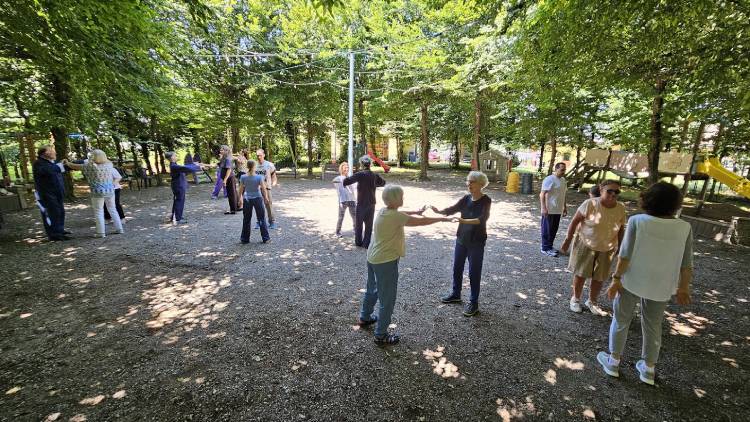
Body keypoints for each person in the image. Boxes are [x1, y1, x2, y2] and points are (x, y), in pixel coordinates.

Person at [597, 182, 693, 386]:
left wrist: (615, 279)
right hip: (662, 284)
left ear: (648, 200)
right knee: (653, 325)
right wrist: (683, 287)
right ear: (675, 204)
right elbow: (687, 264)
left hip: (631, 279)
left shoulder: (637, 221)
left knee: (621, 320)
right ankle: (648, 369)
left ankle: (613, 362)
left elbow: (625, 255)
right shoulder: (684, 227)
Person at [359, 185, 456, 345]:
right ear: (395, 199)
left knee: (372, 289)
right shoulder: (395, 216)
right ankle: (380, 335)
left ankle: (365, 317)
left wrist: (416, 211)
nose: (403, 199)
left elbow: (401, 214)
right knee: (387, 299)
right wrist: (442, 219)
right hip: (385, 261)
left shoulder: (383, 211)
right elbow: (421, 222)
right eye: (401, 197)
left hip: (373, 257)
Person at [561, 180, 627, 316]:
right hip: (586, 244)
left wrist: (621, 246)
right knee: (580, 273)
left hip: (607, 247)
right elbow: (575, 221)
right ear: (601, 189)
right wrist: (568, 239)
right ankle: (575, 299)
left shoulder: (620, 208)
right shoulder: (590, 204)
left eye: (617, 192)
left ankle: (592, 301)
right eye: (610, 191)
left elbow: (621, 228)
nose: (613, 194)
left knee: (599, 277)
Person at [431, 171, 492, 317]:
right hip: (461, 239)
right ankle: (456, 294)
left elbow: (482, 219)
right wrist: (439, 211)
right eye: (468, 181)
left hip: (476, 241)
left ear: (480, 184)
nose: (468, 184)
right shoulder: (466, 198)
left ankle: (474, 302)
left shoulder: (486, 200)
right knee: (457, 268)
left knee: (474, 272)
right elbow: (453, 209)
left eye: (472, 182)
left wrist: (462, 220)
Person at [66, 150, 123, 238]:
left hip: (97, 192)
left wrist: (67, 162)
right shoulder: (109, 165)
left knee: (98, 211)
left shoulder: (88, 166)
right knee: (113, 209)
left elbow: (72, 166)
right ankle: (119, 229)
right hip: (110, 190)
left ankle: (101, 233)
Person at [344, 156, 386, 248]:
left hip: (361, 203)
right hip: (371, 203)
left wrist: (345, 175)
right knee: (369, 225)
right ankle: (366, 244)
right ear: (370, 164)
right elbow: (383, 183)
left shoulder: (360, 174)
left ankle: (358, 242)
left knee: (359, 224)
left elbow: (347, 181)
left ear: (362, 164)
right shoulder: (374, 175)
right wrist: (374, 184)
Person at [32, 145, 70, 241]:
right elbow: (48, 170)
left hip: (57, 192)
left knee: (60, 212)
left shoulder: (52, 162)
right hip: (47, 193)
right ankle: (54, 234)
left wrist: (83, 163)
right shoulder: (38, 164)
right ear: (45, 153)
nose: (55, 152)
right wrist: (59, 166)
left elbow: (64, 167)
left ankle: (59, 230)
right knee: (52, 212)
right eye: (52, 150)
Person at [238, 159, 270, 243]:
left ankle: (244, 239)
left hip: (247, 199)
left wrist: (239, 199)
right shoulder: (259, 177)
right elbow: (263, 189)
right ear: (254, 167)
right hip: (258, 198)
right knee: (261, 218)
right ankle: (265, 238)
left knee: (246, 219)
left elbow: (240, 189)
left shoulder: (243, 177)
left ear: (247, 166)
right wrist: (266, 198)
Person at [165, 151, 202, 224]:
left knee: (178, 201)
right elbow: (185, 168)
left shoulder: (175, 165)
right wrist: (198, 167)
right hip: (178, 186)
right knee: (179, 201)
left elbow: (184, 170)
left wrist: (195, 165)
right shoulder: (174, 166)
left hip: (179, 185)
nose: (176, 156)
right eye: (175, 155)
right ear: (172, 157)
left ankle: (176, 216)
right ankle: (177, 219)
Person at [540, 162, 568, 256]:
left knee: (554, 229)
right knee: (547, 229)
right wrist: (543, 208)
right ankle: (544, 248)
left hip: (558, 209)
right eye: (562, 170)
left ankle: (550, 246)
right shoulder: (549, 179)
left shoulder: (563, 180)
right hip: (549, 209)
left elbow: (563, 194)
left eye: (564, 169)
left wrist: (564, 207)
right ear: (556, 169)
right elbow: (542, 194)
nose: (564, 171)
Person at [255, 149, 278, 228]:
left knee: (268, 205)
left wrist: (273, 183)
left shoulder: (269, 165)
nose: (259, 157)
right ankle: (259, 221)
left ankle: (272, 222)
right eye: (257, 155)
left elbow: (274, 176)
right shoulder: (254, 165)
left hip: (267, 188)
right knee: (258, 206)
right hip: (256, 189)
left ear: (264, 155)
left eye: (260, 155)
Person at [332, 162, 356, 236]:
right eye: (345, 167)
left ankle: (356, 229)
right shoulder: (338, 178)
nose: (347, 169)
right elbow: (334, 182)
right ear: (341, 169)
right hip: (343, 200)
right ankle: (337, 231)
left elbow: (353, 188)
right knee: (341, 217)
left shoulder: (350, 178)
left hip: (351, 199)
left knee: (355, 216)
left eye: (347, 167)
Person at [219, 145, 239, 215]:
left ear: (226, 151)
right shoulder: (223, 158)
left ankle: (233, 210)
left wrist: (225, 180)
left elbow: (229, 169)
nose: (220, 151)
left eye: (222, 150)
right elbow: (218, 165)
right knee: (233, 192)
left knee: (231, 194)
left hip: (230, 178)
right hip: (228, 178)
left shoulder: (227, 159)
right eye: (220, 150)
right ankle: (237, 207)